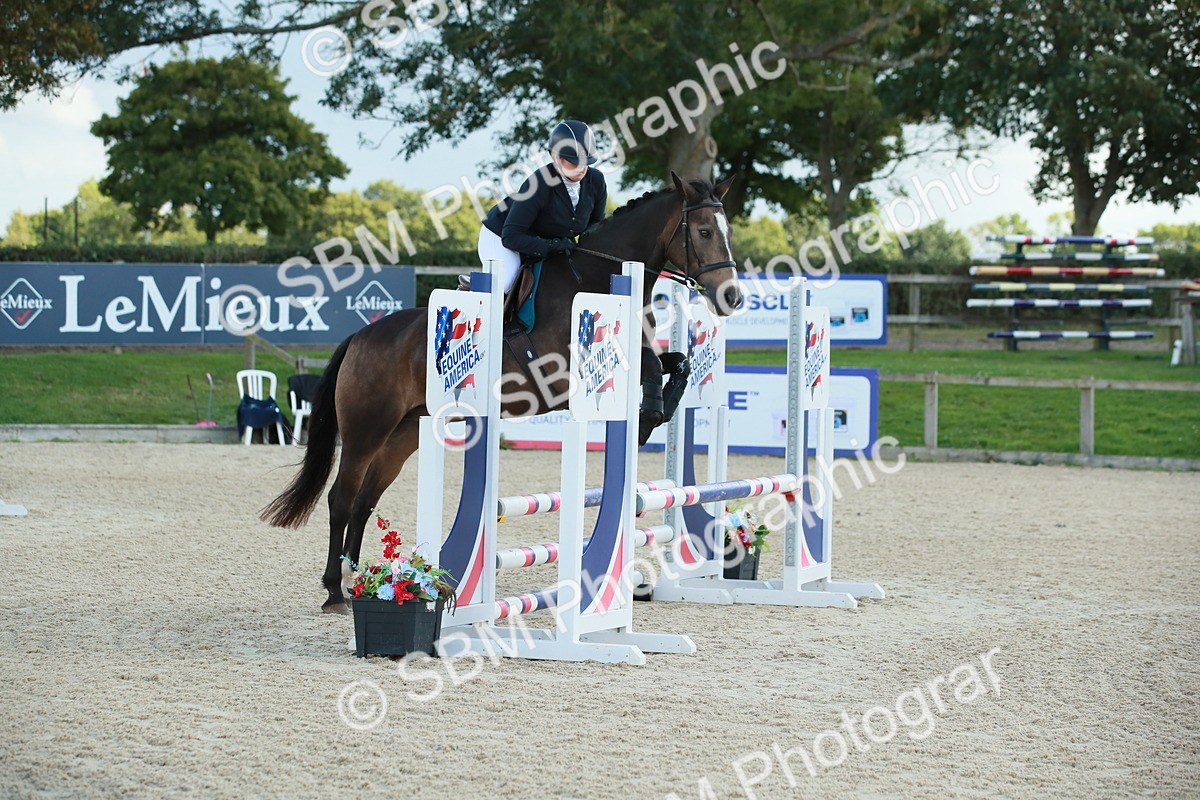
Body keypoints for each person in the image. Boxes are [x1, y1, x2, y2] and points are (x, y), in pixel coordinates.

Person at [477, 120, 608, 293]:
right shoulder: (538, 184)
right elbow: (511, 237)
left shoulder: (596, 181)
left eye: (586, 162)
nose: (582, 168)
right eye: (574, 162)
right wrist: (553, 246)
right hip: (500, 236)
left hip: (540, 240)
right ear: (556, 158)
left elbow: (595, 225)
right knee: (507, 283)